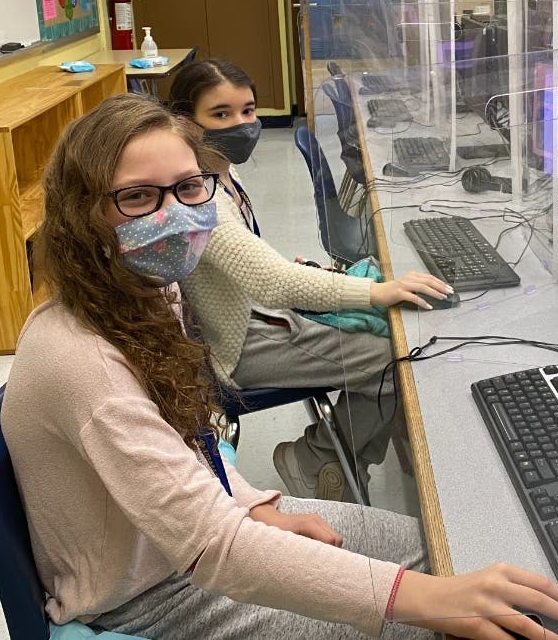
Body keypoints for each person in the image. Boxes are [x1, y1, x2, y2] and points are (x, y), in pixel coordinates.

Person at [2, 94, 558, 639]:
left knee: (446, 551)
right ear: (81, 213)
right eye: (137, 197)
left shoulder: (147, 291)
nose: (174, 214)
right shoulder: (86, 364)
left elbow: (192, 442)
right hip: (153, 591)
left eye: (188, 187)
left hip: (195, 534)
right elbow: (216, 550)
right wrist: (430, 602)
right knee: (463, 619)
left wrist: (251, 504)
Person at [166, 58, 447, 501]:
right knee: (395, 359)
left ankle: (340, 461)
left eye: (248, 110)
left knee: (388, 337)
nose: (241, 124)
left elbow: (247, 264)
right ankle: (315, 459)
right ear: (184, 122)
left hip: (256, 314)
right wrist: (377, 292)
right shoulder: (201, 201)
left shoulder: (220, 171)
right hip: (238, 345)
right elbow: (272, 282)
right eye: (221, 114)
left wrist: (301, 275)